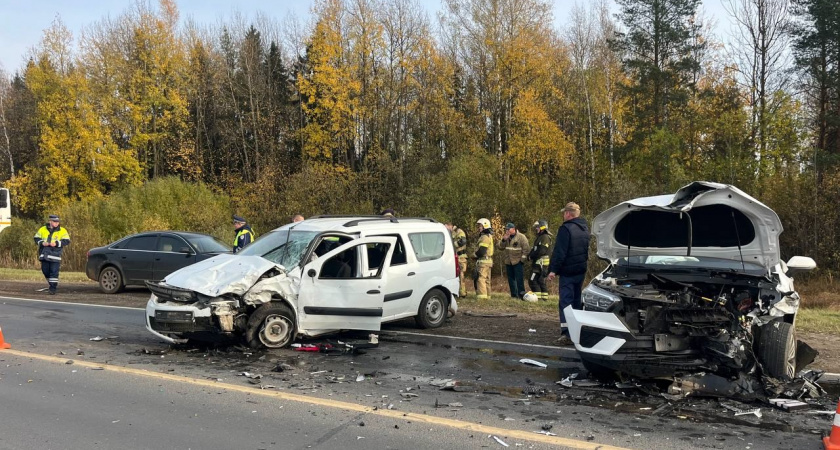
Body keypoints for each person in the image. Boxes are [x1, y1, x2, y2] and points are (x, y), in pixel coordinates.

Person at [547, 202, 590, 344]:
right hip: (580, 270)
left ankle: (567, 334)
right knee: (577, 301)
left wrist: (553, 270)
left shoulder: (566, 229)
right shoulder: (584, 229)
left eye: (564, 213)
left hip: (568, 271)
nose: (563, 215)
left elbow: (560, 252)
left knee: (566, 302)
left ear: (568, 213)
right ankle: (578, 331)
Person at [34, 214, 70, 295]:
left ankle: (53, 288)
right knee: (45, 271)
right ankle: (51, 284)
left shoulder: (62, 230)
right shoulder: (42, 229)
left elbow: (67, 241)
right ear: (50, 221)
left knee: (54, 272)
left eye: (57, 222)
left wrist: (57, 243)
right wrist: (42, 243)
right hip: (44, 255)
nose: (57, 223)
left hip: (55, 255)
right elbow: (36, 238)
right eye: (55, 222)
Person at [498, 222, 529, 298]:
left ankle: (521, 295)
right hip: (508, 262)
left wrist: (522, 260)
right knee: (511, 280)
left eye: (508, 229)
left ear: (513, 229)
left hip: (518, 261)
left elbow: (526, 249)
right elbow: (500, 247)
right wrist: (503, 240)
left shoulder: (521, 237)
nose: (507, 231)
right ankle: (514, 295)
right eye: (506, 229)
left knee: (519, 280)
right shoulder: (506, 237)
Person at [528, 219, 553, 301]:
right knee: (539, 281)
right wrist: (530, 255)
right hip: (538, 264)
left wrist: (532, 256)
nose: (536, 229)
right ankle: (542, 299)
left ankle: (538, 298)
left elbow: (541, 251)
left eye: (537, 227)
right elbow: (535, 249)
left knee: (533, 280)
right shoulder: (540, 237)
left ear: (542, 227)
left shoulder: (545, 237)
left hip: (541, 264)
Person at [445, 222, 468, 297]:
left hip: (461, 257)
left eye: (447, 227)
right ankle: (456, 292)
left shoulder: (459, 231)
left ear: (450, 226)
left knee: (461, 274)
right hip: (454, 257)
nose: (446, 229)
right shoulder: (451, 233)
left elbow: (463, 241)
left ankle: (462, 293)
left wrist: (452, 245)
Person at [474, 218, 494, 299]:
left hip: (483, 262)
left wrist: (474, 255)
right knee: (487, 280)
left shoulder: (484, 237)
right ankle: (488, 296)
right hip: (488, 261)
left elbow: (482, 251)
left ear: (485, 226)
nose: (479, 227)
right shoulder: (488, 236)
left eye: (480, 226)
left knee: (481, 279)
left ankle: (482, 298)